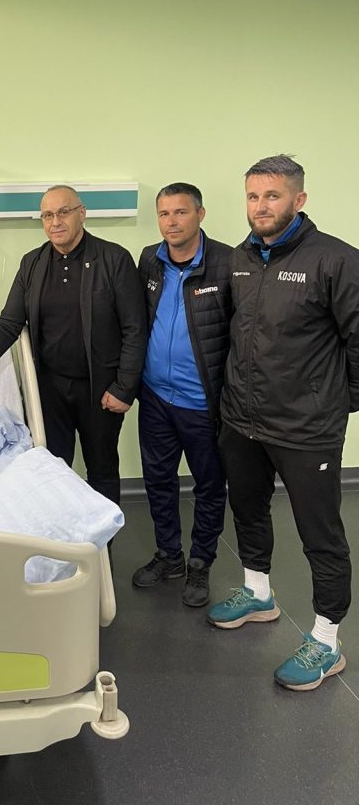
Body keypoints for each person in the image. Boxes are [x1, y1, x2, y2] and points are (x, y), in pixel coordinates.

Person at [207, 154, 359, 692]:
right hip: (243, 419)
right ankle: (258, 592)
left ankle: (327, 639)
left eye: (272, 196)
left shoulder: (337, 260)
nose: (260, 206)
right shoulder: (240, 258)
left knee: (320, 534)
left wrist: (333, 402)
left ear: (299, 199)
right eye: (253, 196)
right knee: (248, 510)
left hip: (305, 429)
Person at [0, 184, 146, 504]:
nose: (55, 221)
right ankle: (61, 534)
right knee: (53, 468)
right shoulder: (32, 263)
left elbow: (135, 328)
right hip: (50, 389)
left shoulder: (113, 259)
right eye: (47, 215)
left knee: (102, 468)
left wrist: (124, 387)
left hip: (101, 390)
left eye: (63, 212)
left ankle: (105, 537)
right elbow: (9, 322)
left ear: (82, 214)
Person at [132, 183, 232, 608]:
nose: (171, 222)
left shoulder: (227, 264)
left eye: (181, 212)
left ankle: (201, 563)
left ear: (200, 214)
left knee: (209, 486)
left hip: (202, 404)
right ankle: (169, 555)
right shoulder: (149, 260)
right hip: (156, 397)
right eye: (164, 214)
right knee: (158, 480)